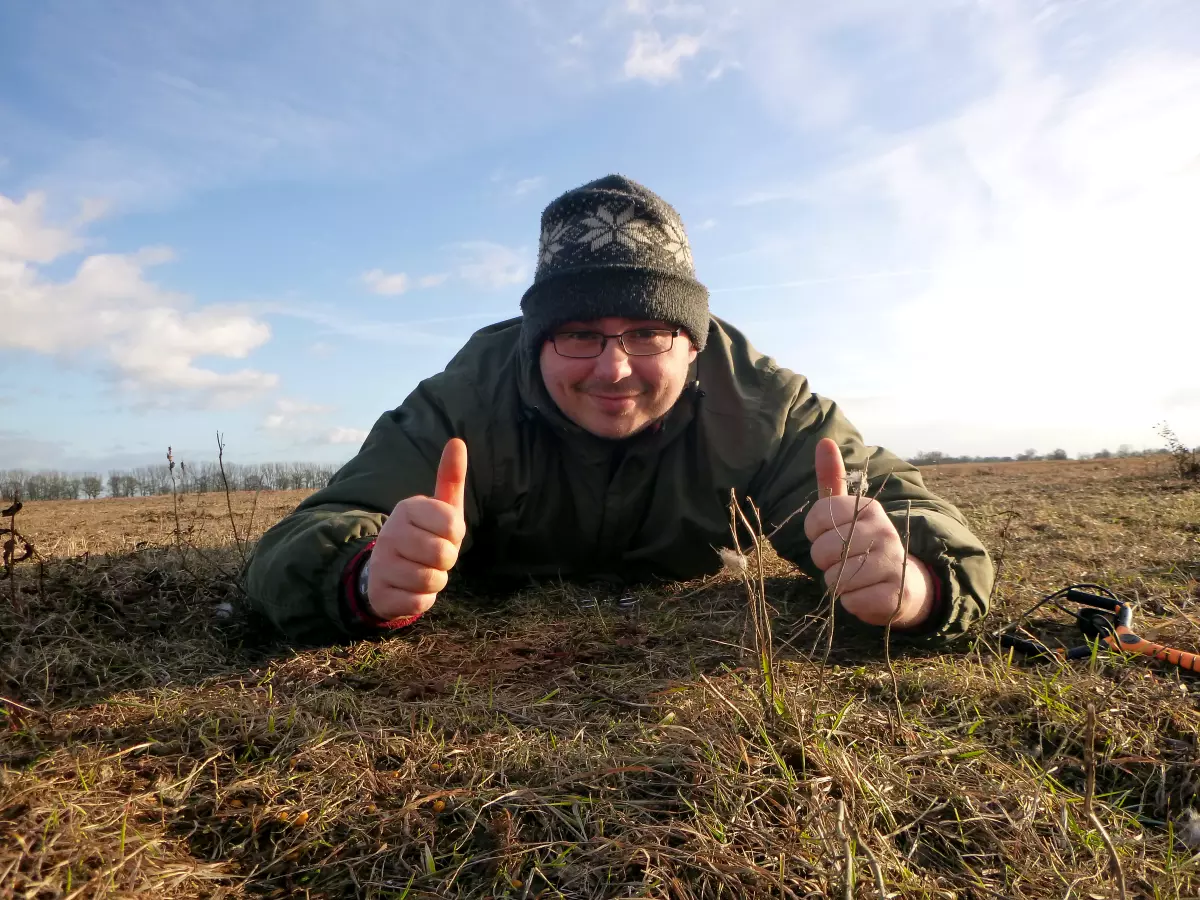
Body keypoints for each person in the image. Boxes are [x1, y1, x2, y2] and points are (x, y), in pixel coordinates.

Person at [246, 175, 993, 644]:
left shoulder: (765, 404)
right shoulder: (466, 401)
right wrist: (364, 579)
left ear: (694, 343)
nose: (614, 369)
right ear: (538, 341)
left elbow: (913, 516)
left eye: (648, 332)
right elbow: (307, 535)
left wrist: (916, 587)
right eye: (578, 335)